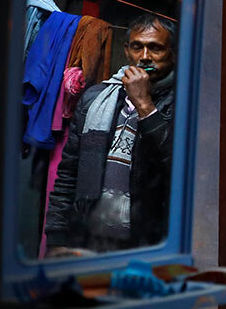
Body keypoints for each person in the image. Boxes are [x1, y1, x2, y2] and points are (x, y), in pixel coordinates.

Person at [45, 15, 177, 254]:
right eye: (138, 46)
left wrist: (144, 104)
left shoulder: (184, 103)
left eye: (155, 48)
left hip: (148, 244)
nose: (145, 56)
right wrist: (56, 239)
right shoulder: (96, 98)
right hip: (89, 238)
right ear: (127, 50)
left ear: (172, 53)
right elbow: (68, 176)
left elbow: (178, 169)